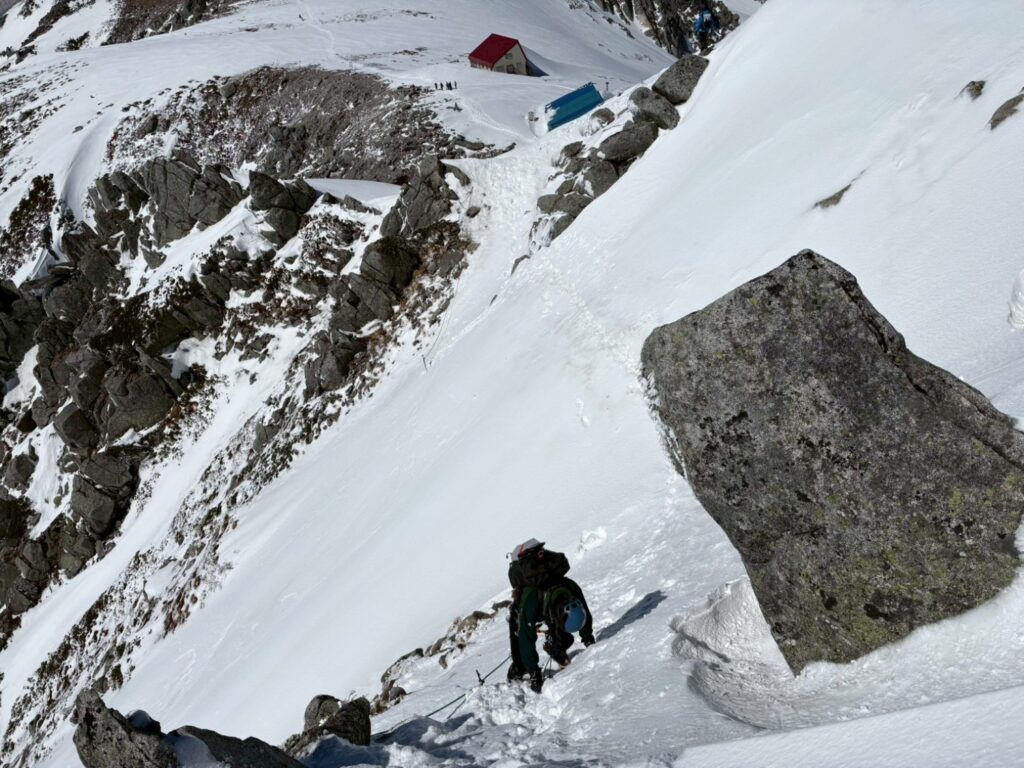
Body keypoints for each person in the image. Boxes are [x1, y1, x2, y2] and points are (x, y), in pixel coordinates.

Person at [506, 539, 595, 693]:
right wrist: (534, 672)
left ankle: (555, 645)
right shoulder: (530, 600)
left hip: (549, 606)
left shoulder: (570, 588)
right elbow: (525, 637)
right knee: (517, 628)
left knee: (566, 635)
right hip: (533, 601)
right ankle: (520, 665)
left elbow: (584, 612)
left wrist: (588, 639)